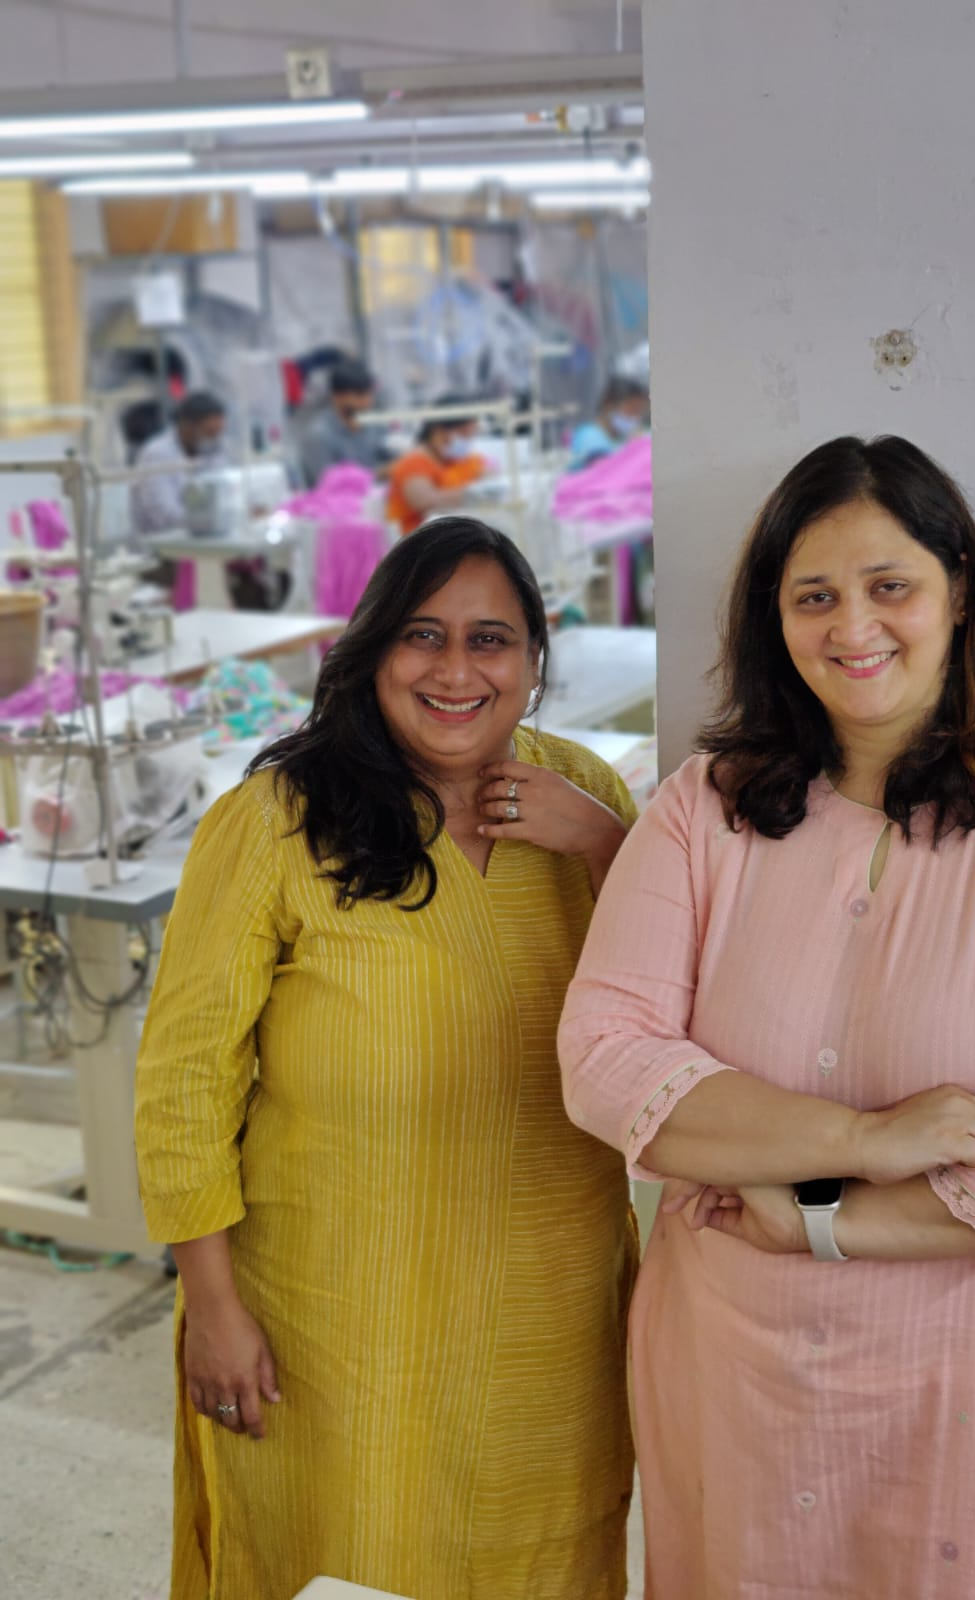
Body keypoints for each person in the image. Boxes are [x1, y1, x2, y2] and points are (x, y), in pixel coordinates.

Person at [558, 434, 975, 1600]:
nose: (853, 626)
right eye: (814, 596)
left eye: (889, 584)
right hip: (737, 1377)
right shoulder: (704, 809)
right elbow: (604, 1057)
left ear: (961, 591)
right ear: (776, 618)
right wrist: (866, 1139)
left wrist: (821, 1221)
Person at [135, 518, 639, 1600]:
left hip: (552, 1313)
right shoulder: (277, 821)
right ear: (373, 652)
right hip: (336, 1319)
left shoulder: (587, 796)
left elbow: (682, 1008)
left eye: (490, 638)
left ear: (535, 658)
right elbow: (183, 1079)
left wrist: (607, 843)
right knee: (350, 1554)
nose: (456, 670)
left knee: (543, 1559)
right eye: (423, 634)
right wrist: (212, 1306)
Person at [130, 390, 228, 536]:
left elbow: (224, 492)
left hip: (201, 534)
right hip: (162, 541)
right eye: (209, 432)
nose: (214, 439)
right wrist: (211, 519)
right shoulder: (156, 455)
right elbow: (165, 514)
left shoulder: (211, 451)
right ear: (187, 426)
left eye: (218, 433)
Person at [386, 399, 488, 535]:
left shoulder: (458, 459)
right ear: (439, 430)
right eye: (463, 435)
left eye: (470, 436)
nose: (467, 442)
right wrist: (472, 493)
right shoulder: (413, 462)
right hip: (422, 538)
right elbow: (423, 501)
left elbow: (485, 476)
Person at [298, 358, 392, 487]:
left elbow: (388, 454)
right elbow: (329, 485)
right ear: (336, 397)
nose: (368, 401)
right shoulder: (318, 436)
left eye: (370, 394)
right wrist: (379, 474)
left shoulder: (373, 425)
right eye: (359, 395)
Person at [568, 376, 649, 471]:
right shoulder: (589, 437)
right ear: (609, 404)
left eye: (639, 411)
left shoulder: (620, 438)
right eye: (632, 409)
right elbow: (604, 473)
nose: (635, 416)